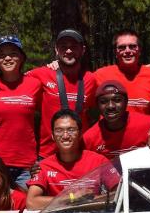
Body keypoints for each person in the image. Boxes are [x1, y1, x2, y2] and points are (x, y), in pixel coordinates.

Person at [0, 35, 42, 190]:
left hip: (26, 164)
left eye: (13, 54)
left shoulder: (35, 84)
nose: (7, 58)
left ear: (21, 58)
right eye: (1, 55)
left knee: (25, 204)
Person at [28, 29, 98, 158]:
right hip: (48, 154)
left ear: (83, 50)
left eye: (74, 47)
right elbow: (12, 78)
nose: (69, 51)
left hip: (80, 153)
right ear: (56, 50)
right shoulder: (42, 74)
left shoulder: (90, 79)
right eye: (63, 47)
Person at [26, 109, 112, 210]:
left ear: (80, 134)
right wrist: (72, 198)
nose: (65, 136)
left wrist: (87, 202)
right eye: (59, 130)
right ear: (53, 136)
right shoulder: (44, 166)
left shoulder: (99, 161)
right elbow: (31, 202)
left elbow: (118, 193)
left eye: (71, 130)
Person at [94, 29, 150, 114]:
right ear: (115, 52)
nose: (127, 51)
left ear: (139, 50)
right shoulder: (100, 75)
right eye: (122, 47)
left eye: (132, 46)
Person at [83, 80, 150, 159]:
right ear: (97, 105)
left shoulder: (148, 124)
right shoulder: (90, 139)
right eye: (103, 102)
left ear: (126, 102)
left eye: (117, 100)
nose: (110, 106)